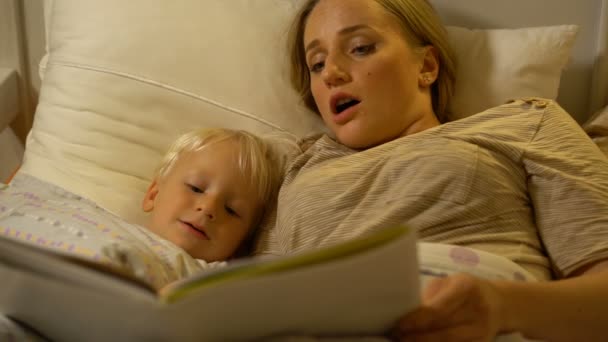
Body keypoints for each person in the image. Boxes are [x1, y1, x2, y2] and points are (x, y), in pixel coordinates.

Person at [253, 0, 608, 341]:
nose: (331, 73)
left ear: (427, 66)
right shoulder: (293, 171)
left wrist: (503, 306)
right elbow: (247, 297)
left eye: (360, 47)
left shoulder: (524, 123)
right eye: (316, 63)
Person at [142, 127, 286, 263]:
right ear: (153, 195)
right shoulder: (121, 229)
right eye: (196, 188)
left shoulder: (217, 279)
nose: (208, 208)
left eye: (231, 210)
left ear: (241, 244)